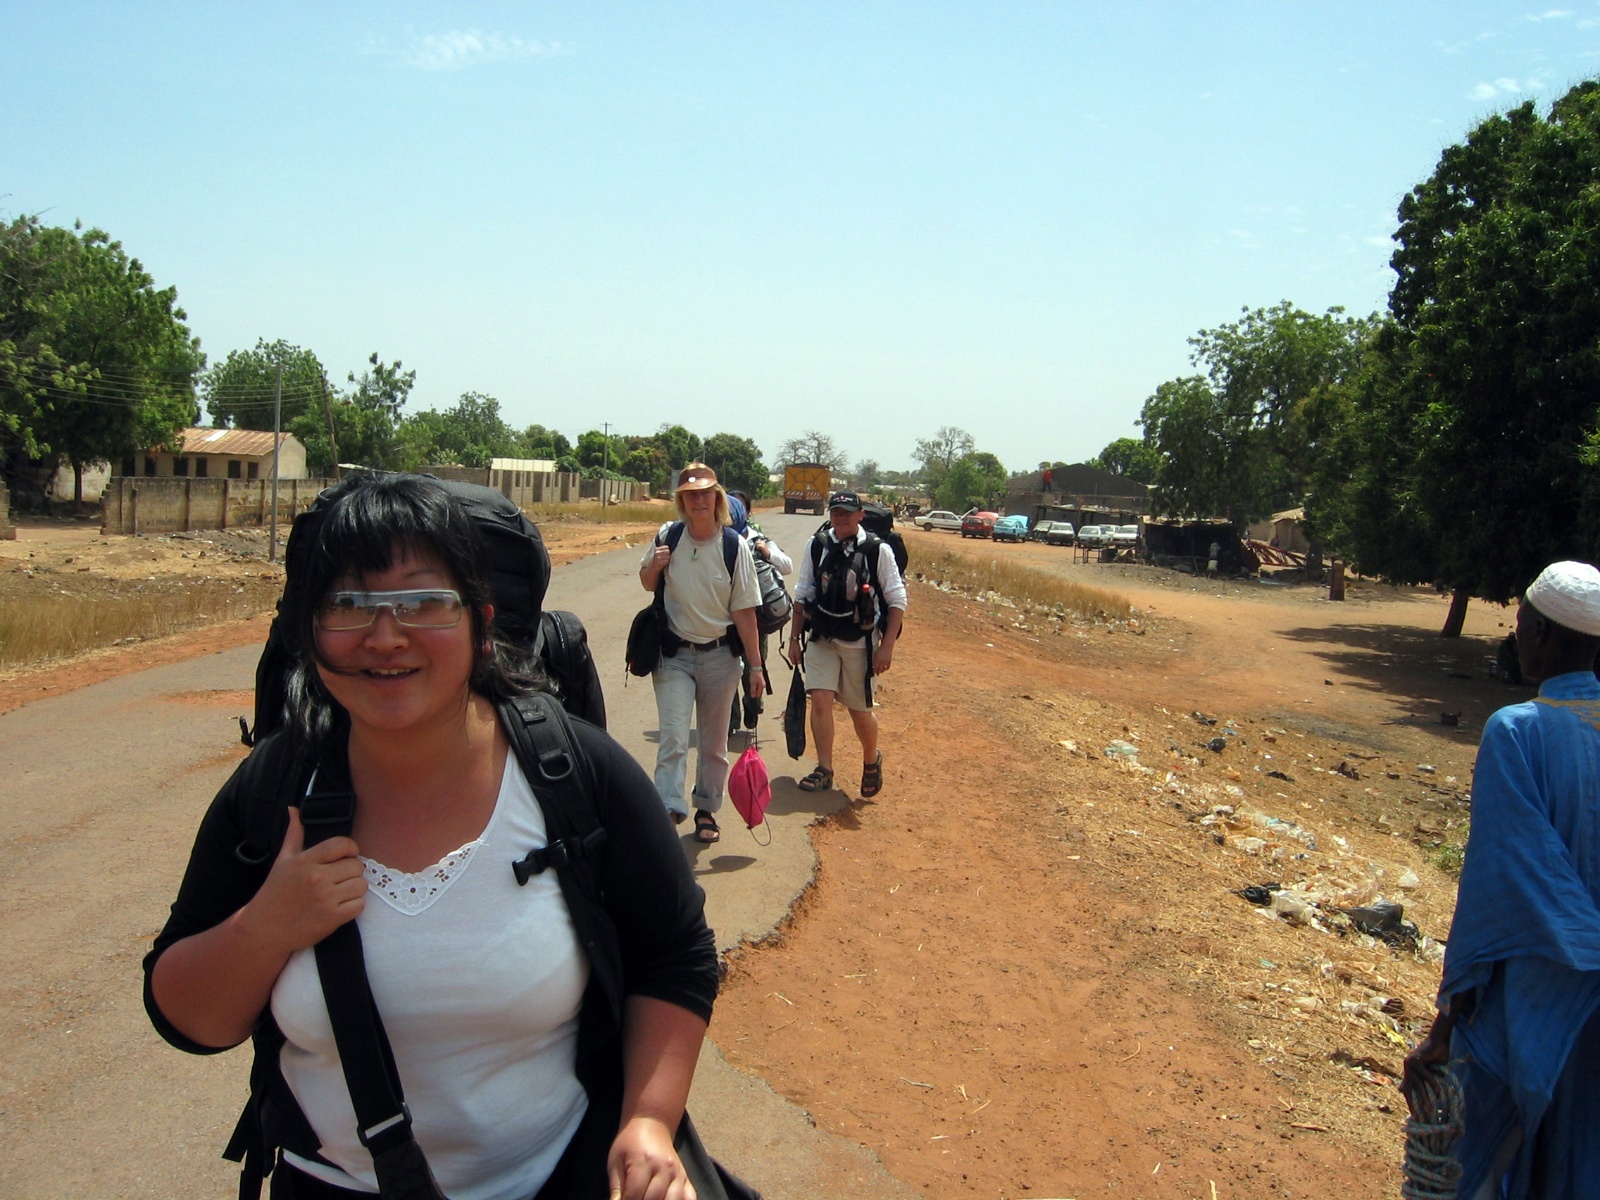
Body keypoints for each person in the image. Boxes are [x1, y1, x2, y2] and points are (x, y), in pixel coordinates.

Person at [144, 473, 718, 1200]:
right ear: (308, 630)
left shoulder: (572, 773)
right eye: (349, 604)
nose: (386, 637)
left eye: (422, 601)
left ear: (481, 622)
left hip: (560, 1179)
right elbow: (187, 1019)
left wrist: (648, 1121)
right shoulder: (275, 791)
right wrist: (266, 928)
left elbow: (674, 954)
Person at [1401, 560, 1600, 1199]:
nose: (1515, 637)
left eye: (1520, 624)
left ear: (1540, 634)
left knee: (1489, 1164)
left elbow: (1497, 893)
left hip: (1536, 1004)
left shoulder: (1516, 733)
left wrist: (1443, 1030)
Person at [639, 464, 766, 844]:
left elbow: (745, 612)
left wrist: (756, 667)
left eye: (705, 493)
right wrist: (655, 565)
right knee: (674, 737)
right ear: (681, 501)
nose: (698, 500)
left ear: (717, 499)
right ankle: (668, 811)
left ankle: (706, 809)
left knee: (713, 744)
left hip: (720, 658)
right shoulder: (668, 536)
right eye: (690, 495)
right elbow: (648, 582)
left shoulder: (734, 547)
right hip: (673, 655)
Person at [788, 490, 907, 798]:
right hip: (822, 638)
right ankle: (824, 769)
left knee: (859, 710)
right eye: (836, 512)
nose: (840, 518)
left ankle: (871, 760)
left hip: (860, 644)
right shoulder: (817, 546)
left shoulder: (877, 551)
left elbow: (896, 600)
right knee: (821, 700)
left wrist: (887, 646)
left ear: (860, 515)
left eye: (846, 512)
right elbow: (802, 593)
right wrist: (793, 640)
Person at [725, 490, 793, 735]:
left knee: (754, 666)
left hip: (755, 619)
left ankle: (753, 705)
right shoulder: (717, 540)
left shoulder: (758, 539)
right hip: (724, 619)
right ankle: (731, 720)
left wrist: (768, 553)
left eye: (739, 508)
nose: (733, 514)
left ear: (748, 512)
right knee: (728, 669)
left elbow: (787, 566)